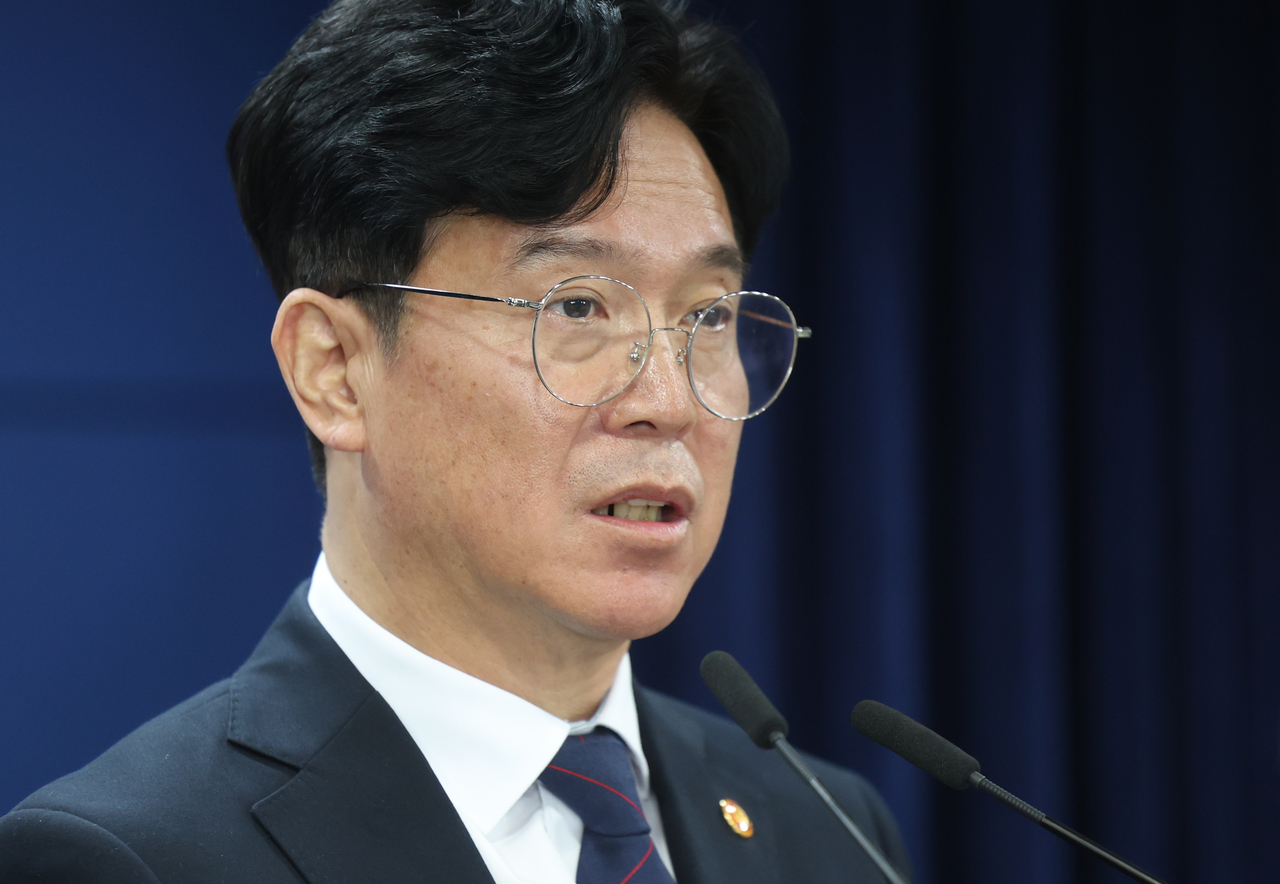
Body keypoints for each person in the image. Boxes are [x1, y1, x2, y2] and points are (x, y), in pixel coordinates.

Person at [0, 1, 909, 881]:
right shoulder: (135, 859)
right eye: (579, 307)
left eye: (706, 316)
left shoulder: (824, 830)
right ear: (334, 369)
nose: (669, 402)